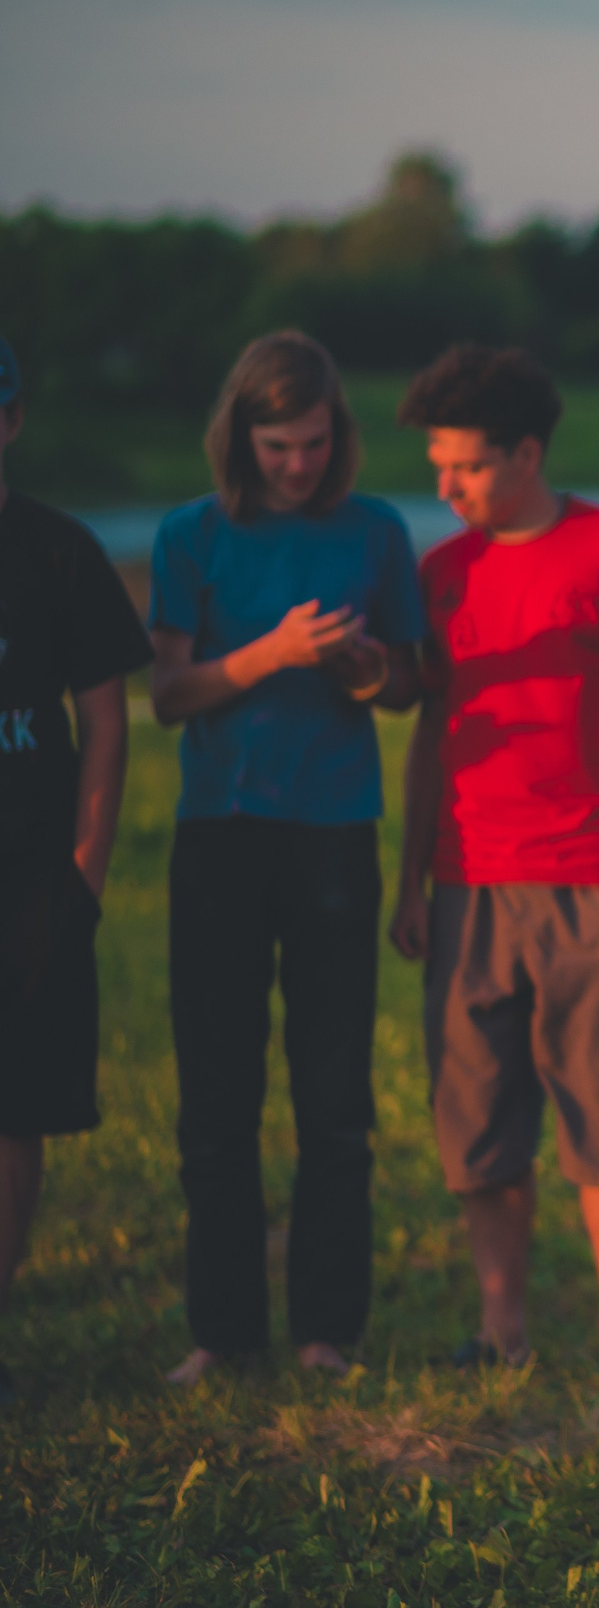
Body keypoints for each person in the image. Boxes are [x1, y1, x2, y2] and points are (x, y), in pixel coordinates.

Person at [388, 345, 599, 1369]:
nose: (446, 487)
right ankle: (500, 1326)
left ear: (525, 452)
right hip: (468, 881)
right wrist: (411, 879)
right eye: (438, 466)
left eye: (465, 466)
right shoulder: (440, 574)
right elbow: (431, 730)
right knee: (477, 1112)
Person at [148, 332, 425, 1385]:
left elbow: (405, 687)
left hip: (335, 831)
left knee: (335, 1094)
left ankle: (326, 1331)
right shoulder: (190, 534)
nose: (297, 464)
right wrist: (273, 652)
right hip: (219, 834)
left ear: (337, 435)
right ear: (240, 436)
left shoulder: (376, 530)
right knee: (217, 1095)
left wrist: (361, 670)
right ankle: (220, 1332)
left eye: (312, 443)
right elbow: (167, 695)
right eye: (277, 445)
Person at [0, 333, 152, 1407]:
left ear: (9, 419)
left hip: (30, 882)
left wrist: (85, 873)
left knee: (16, 1113)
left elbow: (106, 720)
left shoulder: (58, 551)